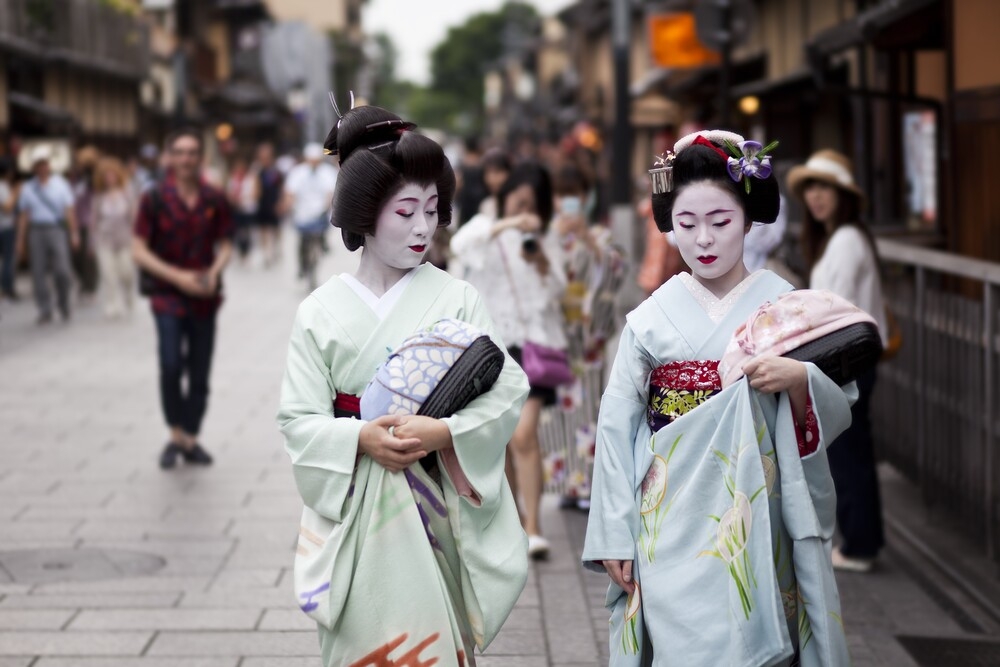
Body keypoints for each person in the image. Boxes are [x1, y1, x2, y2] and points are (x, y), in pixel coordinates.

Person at [584, 131, 854, 665]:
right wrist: (614, 532)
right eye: (686, 225)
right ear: (669, 227)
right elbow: (615, 427)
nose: (704, 239)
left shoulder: (784, 306)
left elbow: (839, 397)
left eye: (721, 222)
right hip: (668, 510)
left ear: (748, 220)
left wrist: (799, 378)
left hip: (758, 508)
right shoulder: (649, 319)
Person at [276, 104, 529, 666]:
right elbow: (298, 418)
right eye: (405, 211)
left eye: (432, 211)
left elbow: (506, 388)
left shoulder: (458, 297)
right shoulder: (320, 311)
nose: (423, 227)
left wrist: (444, 430)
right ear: (365, 212)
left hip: (435, 499)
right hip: (357, 506)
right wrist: (360, 438)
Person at [451, 162, 568, 559]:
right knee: (502, 438)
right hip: (493, 343)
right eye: (519, 200)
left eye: (532, 205)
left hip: (534, 343)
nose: (526, 210)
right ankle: (515, 520)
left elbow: (558, 290)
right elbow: (460, 247)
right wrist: (507, 224)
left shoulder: (544, 236)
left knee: (523, 434)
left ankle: (533, 525)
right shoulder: (484, 227)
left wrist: (541, 262)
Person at [788, 149, 888, 573]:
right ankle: (861, 540)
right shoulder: (838, 238)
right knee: (850, 449)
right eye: (810, 187)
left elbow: (835, 308)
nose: (816, 196)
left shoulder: (846, 239)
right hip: (847, 360)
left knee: (850, 452)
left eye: (824, 187)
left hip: (851, 361)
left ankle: (861, 545)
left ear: (842, 194)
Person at [132, 127, 234, 469]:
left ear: (200, 158)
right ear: (169, 158)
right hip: (167, 295)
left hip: (204, 295)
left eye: (192, 152)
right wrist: (179, 278)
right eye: (180, 152)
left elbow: (227, 243)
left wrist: (214, 271)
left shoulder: (214, 198)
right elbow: (138, 250)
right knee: (171, 364)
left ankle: (190, 436)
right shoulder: (154, 198)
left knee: (200, 370)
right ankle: (174, 433)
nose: (186, 158)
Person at [15, 145, 80, 325]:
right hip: (36, 230)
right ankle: (44, 308)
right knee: (38, 271)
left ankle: (64, 304)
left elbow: (69, 210)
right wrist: (20, 240)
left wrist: (74, 233)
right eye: (38, 164)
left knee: (63, 270)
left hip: (56, 229)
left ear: (49, 165)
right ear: (34, 167)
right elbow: (24, 215)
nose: (42, 168)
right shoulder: (28, 188)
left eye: (44, 164)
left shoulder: (60, 184)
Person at [282, 142, 338, 280]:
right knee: (302, 241)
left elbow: (330, 193)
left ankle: (321, 247)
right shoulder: (298, 172)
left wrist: (327, 206)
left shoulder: (328, 172)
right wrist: (289, 206)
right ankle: (302, 265)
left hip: (320, 213)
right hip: (302, 213)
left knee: (319, 237)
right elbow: (290, 192)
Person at [91, 156, 137, 319]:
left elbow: (134, 219)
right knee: (108, 273)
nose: (109, 178)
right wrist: (92, 242)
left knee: (127, 272)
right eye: (106, 175)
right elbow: (94, 220)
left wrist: (138, 240)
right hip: (104, 239)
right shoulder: (98, 197)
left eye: (112, 174)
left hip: (125, 238)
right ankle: (112, 304)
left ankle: (129, 295)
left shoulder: (127, 194)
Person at [253, 142, 283, 266]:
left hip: (274, 203)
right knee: (263, 229)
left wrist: (281, 203)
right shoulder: (258, 170)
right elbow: (256, 187)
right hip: (263, 204)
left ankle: (275, 249)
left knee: (276, 228)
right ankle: (266, 253)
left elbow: (282, 188)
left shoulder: (276, 171)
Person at [225, 156, 256, 263]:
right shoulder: (232, 178)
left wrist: (243, 199)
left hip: (247, 208)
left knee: (247, 231)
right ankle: (239, 251)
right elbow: (228, 192)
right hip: (236, 209)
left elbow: (255, 193)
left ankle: (247, 251)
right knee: (237, 231)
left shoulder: (250, 178)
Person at [0, 160, 19, 301]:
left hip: (5, 226)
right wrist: (16, 193)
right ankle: (7, 288)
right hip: (5, 227)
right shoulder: (2, 187)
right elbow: (7, 207)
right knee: (8, 259)